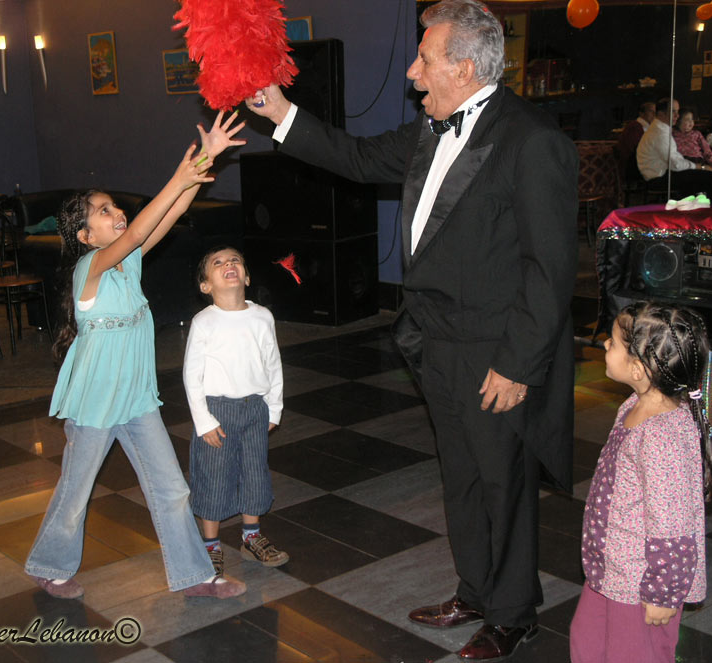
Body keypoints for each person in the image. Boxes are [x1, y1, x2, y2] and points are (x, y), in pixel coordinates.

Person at [246, 1, 578, 659]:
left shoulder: (532, 140)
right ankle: (475, 590)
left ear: (460, 64)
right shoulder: (431, 128)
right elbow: (359, 156)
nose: (411, 71)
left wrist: (518, 365)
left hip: (496, 350)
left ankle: (514, 615)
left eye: (424, 58)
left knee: (501, 483)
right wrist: (282, 112)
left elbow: (550, 270)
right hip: (436, 341)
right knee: (460, 475)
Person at [24, 111, 249, 600]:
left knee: (172, 490)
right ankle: (49, 564)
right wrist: (178, 176)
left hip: (136, 396)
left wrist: (205, 159)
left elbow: (162, 219)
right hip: (95, 402)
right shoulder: (92, 267)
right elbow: (136, 232)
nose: (116, 213)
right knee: (75, 492)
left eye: (113, 206)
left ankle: (193, 576)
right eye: (103, 212)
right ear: (85, 237)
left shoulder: (127, 262)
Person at [569, 302, 712, 662]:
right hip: (612, 570)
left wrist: (662, 593)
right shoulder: (634, 405)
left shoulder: (664, 435)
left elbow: (674, 526)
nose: (604, 345)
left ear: (638, 367)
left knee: (632, 655)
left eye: (614, 343)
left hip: (643, 582)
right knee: (586, 641)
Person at [182, 246, 287, 580]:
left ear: (246, 276)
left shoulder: (262, 317)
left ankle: (251, 537)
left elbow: (273, 363)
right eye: (218, 263)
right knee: (213, 475)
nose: (228, 264)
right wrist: (203, 420)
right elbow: (191, 375)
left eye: (235, 261)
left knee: (255, 472)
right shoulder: (204, 322)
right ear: (205, 286)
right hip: (218, 410)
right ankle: (210, 545)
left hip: (254, 408)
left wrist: (274, 406)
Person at [636, 97, 712, 199]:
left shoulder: (661, 129)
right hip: (659, 178)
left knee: (707, 177)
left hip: (665, 173)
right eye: (673, 111)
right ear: (661, 113)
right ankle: (708, 212)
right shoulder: (659, 133)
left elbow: (677, 160)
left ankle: (696, 210)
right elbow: (676, 164)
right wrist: (702, 167)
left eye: (677, 111)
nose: (677, 115)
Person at [617, 101, 655, 182]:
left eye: (656, 112)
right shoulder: (634, 127)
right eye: (651, 111)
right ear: (641, 113)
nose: (654, 114)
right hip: (633, 166)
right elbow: (635, 149)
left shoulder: (649, 128)